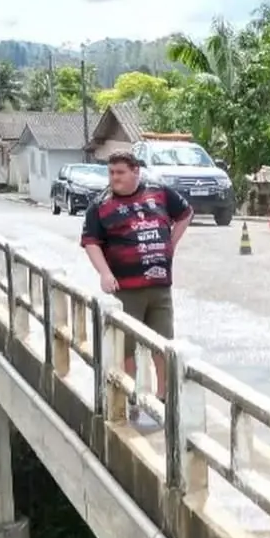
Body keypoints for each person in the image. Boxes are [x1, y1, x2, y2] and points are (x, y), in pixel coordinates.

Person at [80, 150, 193, 415]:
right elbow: (91, 242)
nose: (114, 178)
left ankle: (163, 398)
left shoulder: (160, 193)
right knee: (127, 346)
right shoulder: (101, 205)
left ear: (135, 172)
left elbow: (186, 213)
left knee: (163, 343)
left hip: (160, 286)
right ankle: (131, 396)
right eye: (111, 173)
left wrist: (171, 244)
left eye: (120, 173)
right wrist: (105, 273)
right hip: (126, 289)